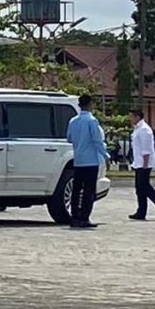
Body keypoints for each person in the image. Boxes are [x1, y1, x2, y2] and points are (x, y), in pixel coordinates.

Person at [66, 94, 108, 229]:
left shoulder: (73, 121)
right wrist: (105, 156)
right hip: (90, 161)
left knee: (76, 190)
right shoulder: (92, 121)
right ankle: (84, 217)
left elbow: (69, 138)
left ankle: (74, 216)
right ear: (90, 105)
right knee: (89, 191)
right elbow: (97, 141)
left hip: (78, 160)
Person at [128, 109, 155, 221]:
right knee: (140, 188)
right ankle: (141, 211)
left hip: (144, 163)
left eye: (131, 116)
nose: (130, 119)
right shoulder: (138, 129)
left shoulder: (144, 130)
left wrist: (145, 164)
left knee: (145, 187)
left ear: (137, 117)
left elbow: (146, 149)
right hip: (139, 163)